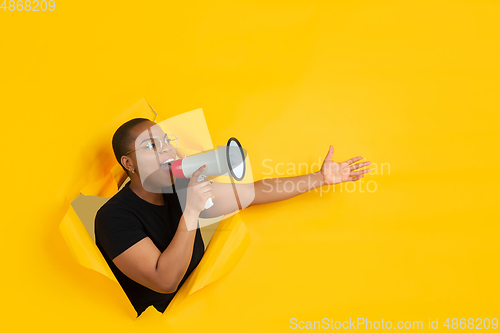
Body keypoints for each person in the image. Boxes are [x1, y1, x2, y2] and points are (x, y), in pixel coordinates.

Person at [95, 117, 371, 317]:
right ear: (128, 163)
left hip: (206, 315)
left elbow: (254, 192)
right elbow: (165, 281)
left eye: (167, 142)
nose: (166, 150)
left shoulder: (182, 190)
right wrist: (191, 211)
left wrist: (320, 178)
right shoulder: (112, 217)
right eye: (152, 146)